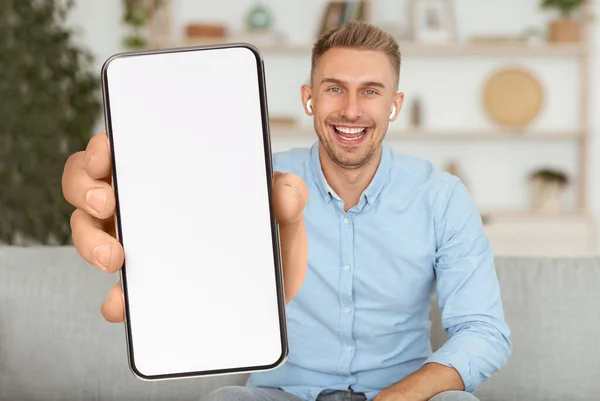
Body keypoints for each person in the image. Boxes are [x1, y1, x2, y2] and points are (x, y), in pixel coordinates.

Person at [62, 20, 511, 401]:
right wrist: (119, 198)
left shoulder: (442, 197)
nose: (351, 110)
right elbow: (187, 242)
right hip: (279, 394)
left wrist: (396, 398)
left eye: (370, 91)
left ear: (394, 105)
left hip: (400, 392)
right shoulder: (258, 183)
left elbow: (482, 331)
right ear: (308, 99)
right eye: (334, 89)